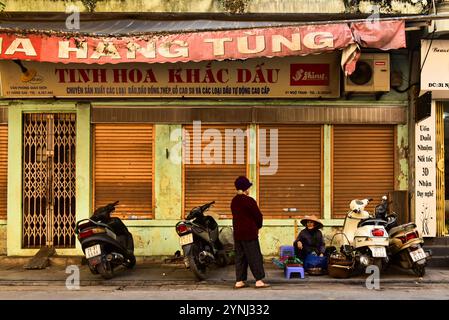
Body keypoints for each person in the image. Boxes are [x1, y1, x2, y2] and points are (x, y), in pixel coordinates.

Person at [231, 176, 270, 289]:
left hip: (238, 234)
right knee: (254, 256)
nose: (249, 189)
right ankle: (258, 281)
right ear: (245, 188)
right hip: (249, 233)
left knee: (240, 257)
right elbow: (258, 216)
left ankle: (239, 281)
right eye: (248, 187)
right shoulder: (249, 201)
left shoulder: (234, 201)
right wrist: (258, 226)